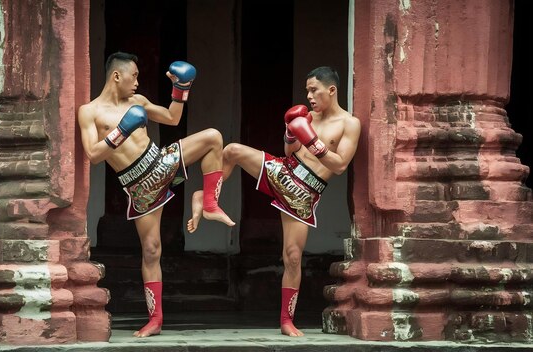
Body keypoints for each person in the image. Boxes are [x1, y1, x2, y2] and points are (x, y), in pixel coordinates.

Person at [189, 66, 360, 336]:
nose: (309, 95)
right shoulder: (308, 116)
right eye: (307, 90)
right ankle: (207, 197)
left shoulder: (350, 123)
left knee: (292, 257)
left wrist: (313, 141)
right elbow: (288, 150)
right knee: (232, 150)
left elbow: (339, 166)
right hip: (284, 169)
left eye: (313, 90)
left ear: (332, 90)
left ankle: (286, 320)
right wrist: (291, 135)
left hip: (305, 191)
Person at [78, 51, 235, 338]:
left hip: (161, 161)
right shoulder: (89, 111)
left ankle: (209, 201)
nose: (137, 81)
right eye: (134, 75)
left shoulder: (137, 102)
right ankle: (155, 320)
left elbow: (173, 118)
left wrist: (181, 89)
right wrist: (121, 131)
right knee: (152, 251)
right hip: (139, 186)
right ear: (117, 76)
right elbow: (92, 154)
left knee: (213, 137)